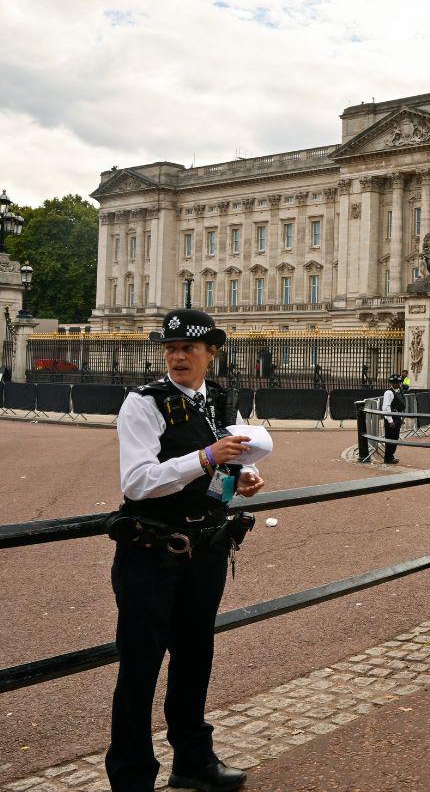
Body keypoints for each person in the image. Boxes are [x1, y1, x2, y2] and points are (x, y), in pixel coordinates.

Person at [106, 308, 265, 792]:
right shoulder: (144, 403)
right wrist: (204, 458)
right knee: (140, 669)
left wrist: (243, 476)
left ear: (210, 354)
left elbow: (227, 463)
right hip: (152, 552)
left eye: (188, 349)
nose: (177, 357)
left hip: (207, 549)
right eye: (171, 348)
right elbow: (136, 484)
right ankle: (132, 779)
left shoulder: (220, 401)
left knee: (195, 659)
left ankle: (193, 760)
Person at [381, 373, 405, 464]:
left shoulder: (399, 391)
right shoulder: (389, 392)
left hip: (397, 416)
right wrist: (390, 420)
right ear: (391, 383)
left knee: (395, 438)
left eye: (398, 382)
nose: (397, 384)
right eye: (395, 382)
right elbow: (386, 407)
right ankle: (388, 457)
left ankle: (391, 455)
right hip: (392, 417)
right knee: (390, 438)